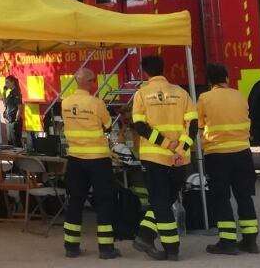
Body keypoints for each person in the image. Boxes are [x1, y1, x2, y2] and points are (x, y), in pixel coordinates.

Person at [130, 55, 197, 261]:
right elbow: (193, 125)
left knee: (160, 201)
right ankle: (146, 236)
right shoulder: (181, 92)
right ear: (163, 69)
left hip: (154, 158)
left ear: (145, 72)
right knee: (166, 200)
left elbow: (140, 126)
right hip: (179, 159)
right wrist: (180, 149)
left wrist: (166, 144)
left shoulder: (141, 94)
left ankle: (171, 248)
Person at [198, 63, 259, 255]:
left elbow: (199, 124)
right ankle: (250, 240)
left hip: (217, 155)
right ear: (226, 78)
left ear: (209, 81)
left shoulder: (204, 98)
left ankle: (227, 241)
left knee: (221, 197)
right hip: (242, 152)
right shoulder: (239, 95)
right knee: (244, 195)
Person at [61, 67, 120, 260]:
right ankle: (106, 248)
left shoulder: (65, 103)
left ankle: (71, 246)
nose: (94, 84)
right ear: (88, 82)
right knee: (104, 202)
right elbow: (108, 126)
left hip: (75, 159)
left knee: (75, 201)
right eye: (93, 80)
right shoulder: (97, 103)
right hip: (98, 159)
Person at [3, 76, 24, 148]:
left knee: (16, 143)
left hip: (14, 121)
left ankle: (20, 158)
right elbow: (5, 103)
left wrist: (16, 120)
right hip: (10, 121)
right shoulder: (10, 93)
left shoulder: (16, 93)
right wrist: (4, 93)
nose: (6, 84)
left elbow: (20, 107)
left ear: (13, 82)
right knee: (11, 142)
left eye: (7, 82)